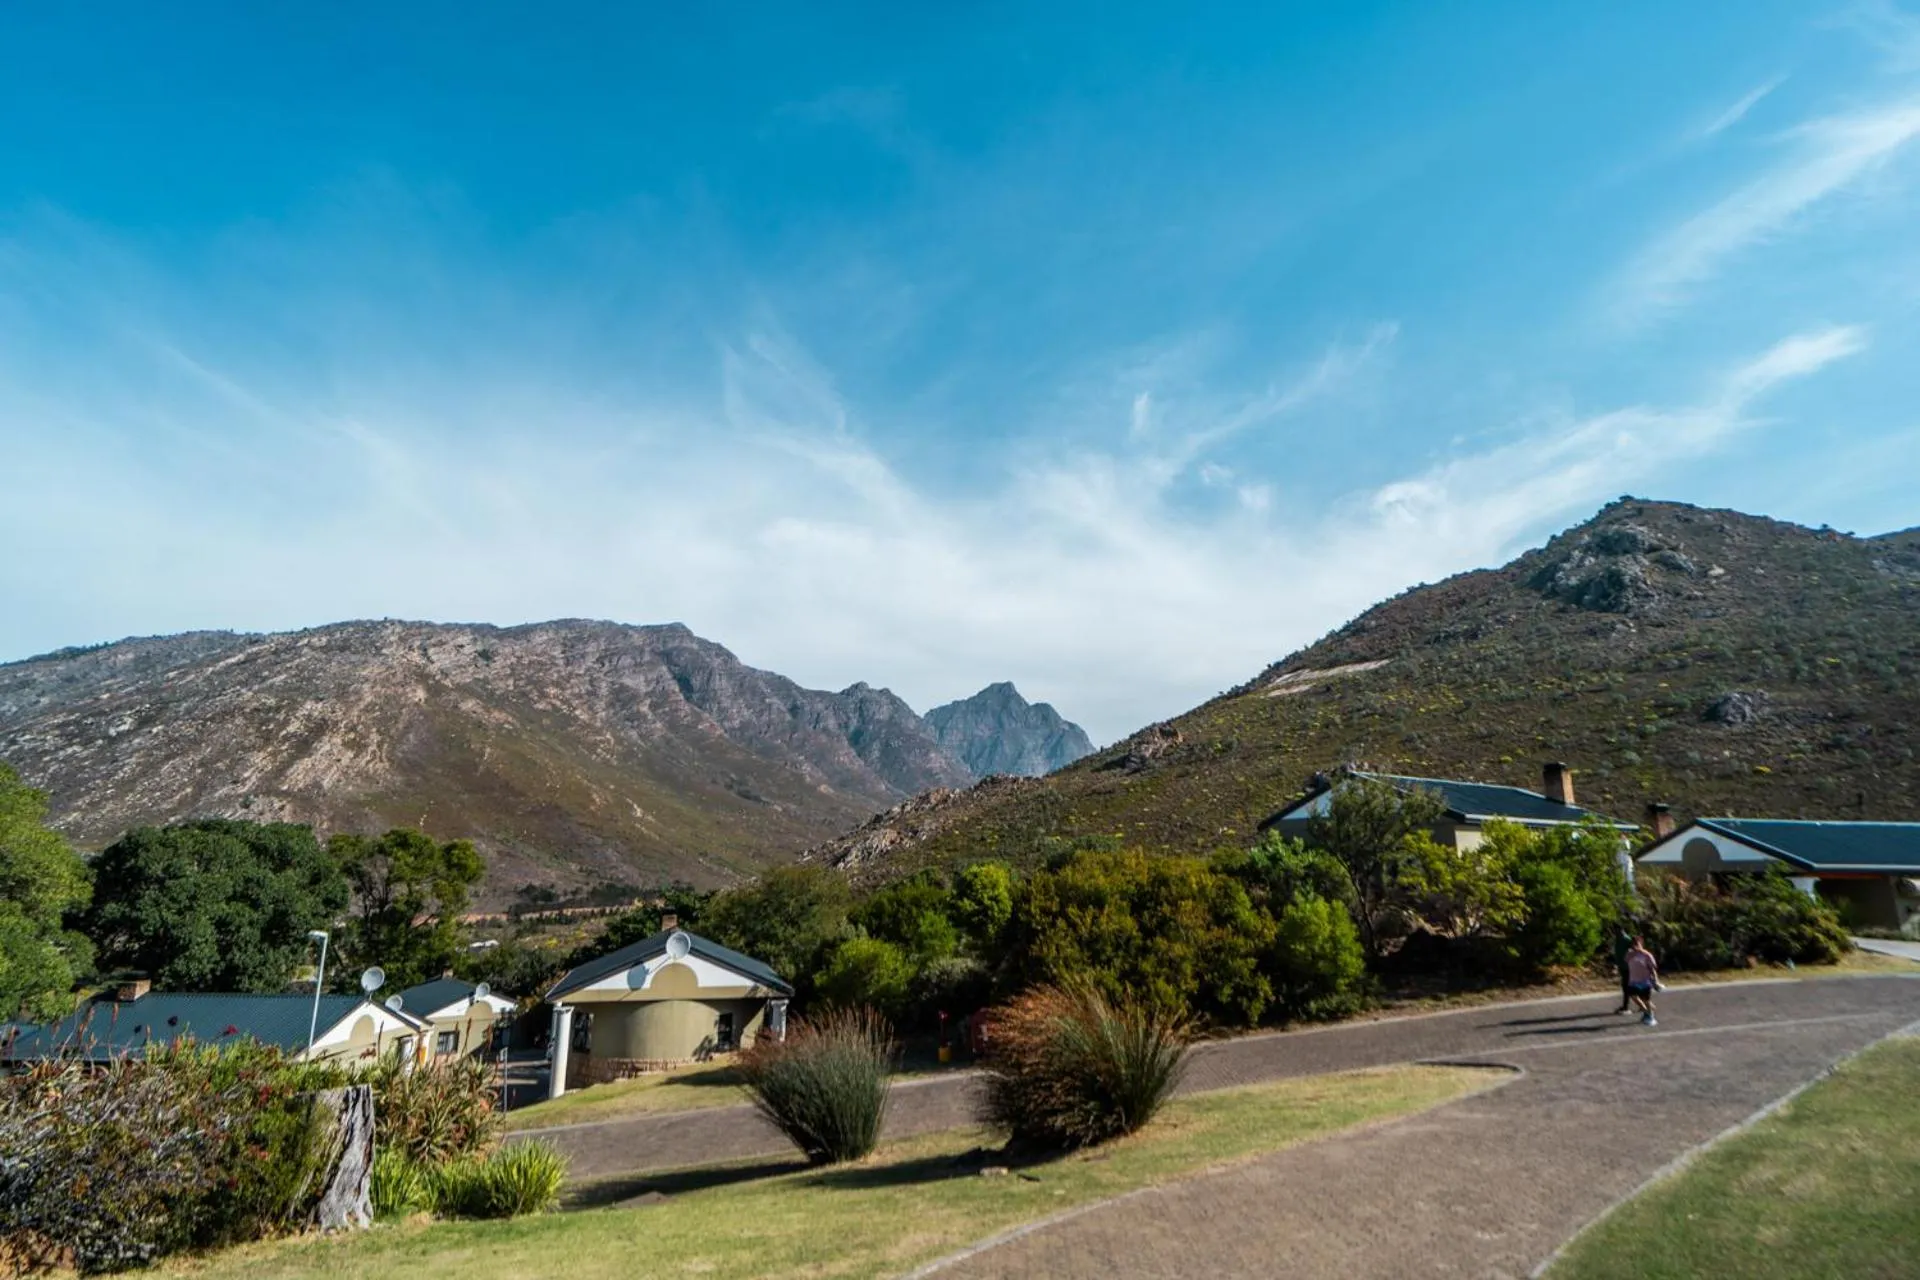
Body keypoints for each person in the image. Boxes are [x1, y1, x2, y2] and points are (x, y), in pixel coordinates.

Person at [1624, 937, 1660, 1027]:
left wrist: (1656, 980)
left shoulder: (1647, 955)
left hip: (1645, 980)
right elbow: (1626, 960)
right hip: (1633, 980)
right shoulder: (1629, 954)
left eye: (1637, 944)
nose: (1635, 946)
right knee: (1633, 996)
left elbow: (1652, 968)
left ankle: (1650, 1015)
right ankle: (1645, 1011)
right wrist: (1632, 953)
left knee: (1646, 999)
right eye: (1634, 944)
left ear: (1641, 944)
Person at [1611, 925, 1636, 1015]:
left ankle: (1626, 1006)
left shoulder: (1626, 939)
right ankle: (1640, 1004)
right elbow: (1617, 953)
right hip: (1622, 966)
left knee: (1627, 987)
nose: (1615, 933)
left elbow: (1634, 949)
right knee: (1626, 987)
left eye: (1617, 930)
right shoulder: (1618, 939)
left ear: (1621, 930)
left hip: (1628, 967)